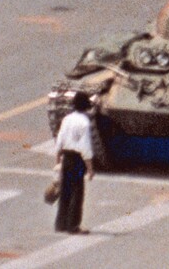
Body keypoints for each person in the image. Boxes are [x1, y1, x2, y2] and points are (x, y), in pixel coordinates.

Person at [54, 92, 95, 234]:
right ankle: (73, 226)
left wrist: (58, 159)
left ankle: (61, 224)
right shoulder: (84, 122)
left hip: (66, 157)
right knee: (77, 191)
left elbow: (60, 140)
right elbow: (86, 147)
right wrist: (90, 168)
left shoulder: (66, 119)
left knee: (65, 190)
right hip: (78, 160)